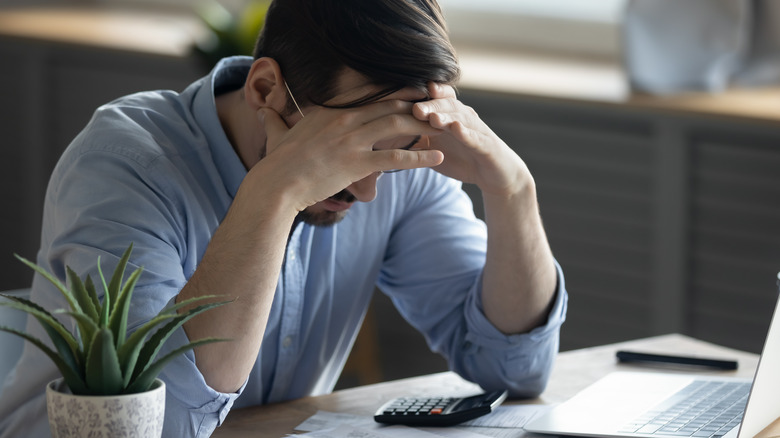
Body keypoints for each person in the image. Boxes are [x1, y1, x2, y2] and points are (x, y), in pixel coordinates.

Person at [0, 0, 567, 436]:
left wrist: (512, 187)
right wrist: (273, 195)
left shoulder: (402, 165)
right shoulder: (123, 165)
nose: (369, 190)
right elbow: (161, 423)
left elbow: (513, 368)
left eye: (391, 148)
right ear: (266, 89)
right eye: (350, 145)